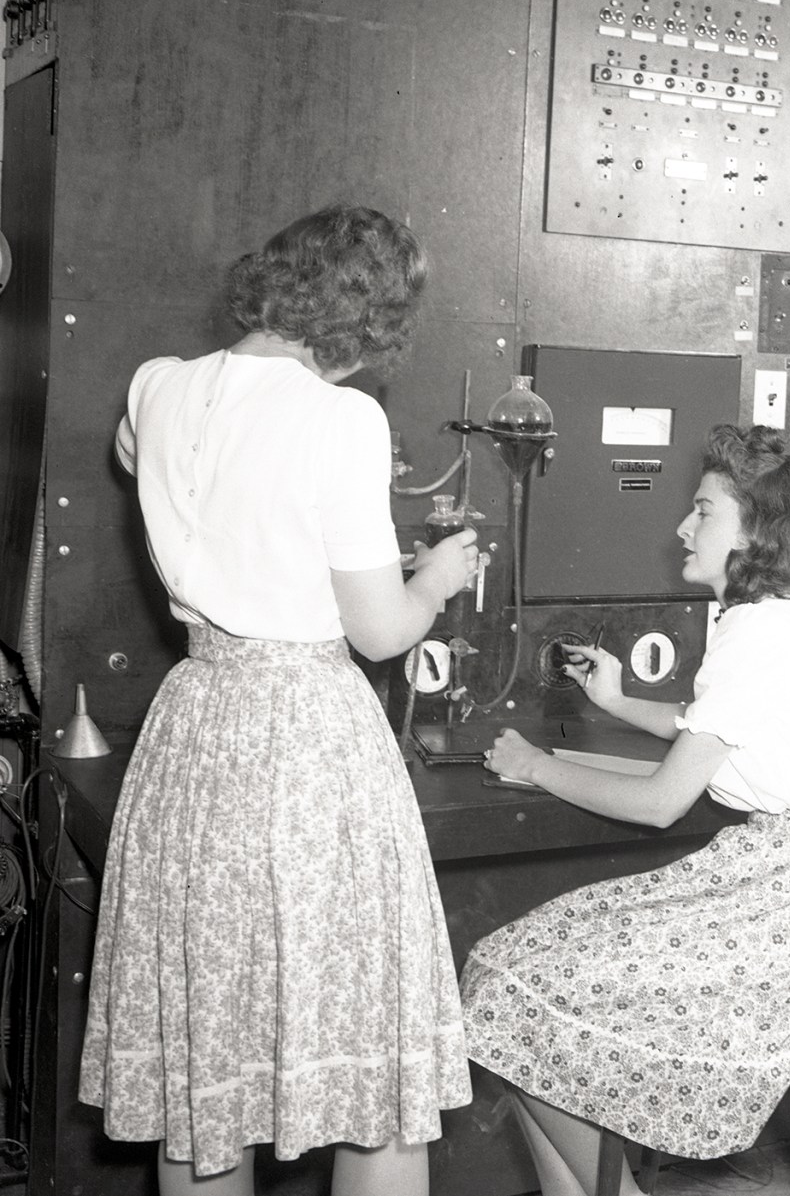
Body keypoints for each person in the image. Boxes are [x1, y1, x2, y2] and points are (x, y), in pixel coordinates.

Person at [79, 205, 479, 1196]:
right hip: (308, 742)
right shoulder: (341, 417)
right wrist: (433, 580)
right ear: (369, 327)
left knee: (206, 1074)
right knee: (370, 1064)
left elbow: (140, 454)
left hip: (198, 722)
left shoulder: (160, 386)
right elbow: (381, 632)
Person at [459, 424, 790, 1196]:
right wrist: (619, 703)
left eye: (703, 511)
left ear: (756, 531)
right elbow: (708, 726)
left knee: (505, 984)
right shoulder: (777, 620)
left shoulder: (759, 633)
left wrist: (537, 765)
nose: (682, 527)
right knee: (513, 988)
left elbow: (663, 801)